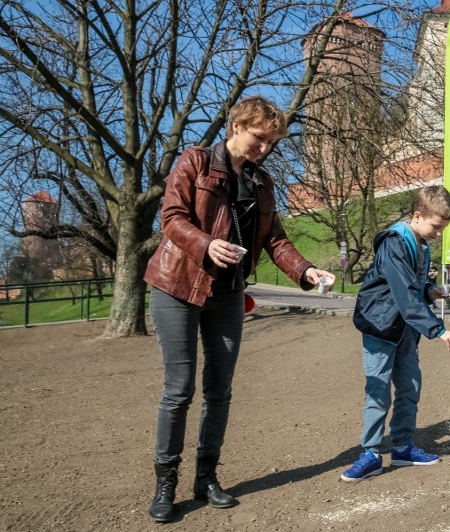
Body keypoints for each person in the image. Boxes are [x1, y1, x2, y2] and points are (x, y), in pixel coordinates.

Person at [143, 95, 335, 523]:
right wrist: (206, 243)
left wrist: (307, 272)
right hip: (177, 286)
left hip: (228, 294)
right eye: (260, 138)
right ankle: (166, 484)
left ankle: (206, 477)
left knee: (220, 390)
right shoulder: (194, 162)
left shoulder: (262, 183)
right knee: (179, 390)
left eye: (272, 143)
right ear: (236, 126)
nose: (265, 148)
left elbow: (276, 240)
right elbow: (172, 217)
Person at [342, 185, 450, 482]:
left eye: (443, 228)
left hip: (405, 328)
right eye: (436, 226)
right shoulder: (395, 243)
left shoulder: (420, 242)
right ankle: (370, 453)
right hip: (381, 326)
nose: (439, 233)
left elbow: (411, 287)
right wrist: (439, 329)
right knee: (378, 392)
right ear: (418, 215)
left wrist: (430, 291)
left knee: (409, 388)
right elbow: (404, 294)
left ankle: (403, 447)